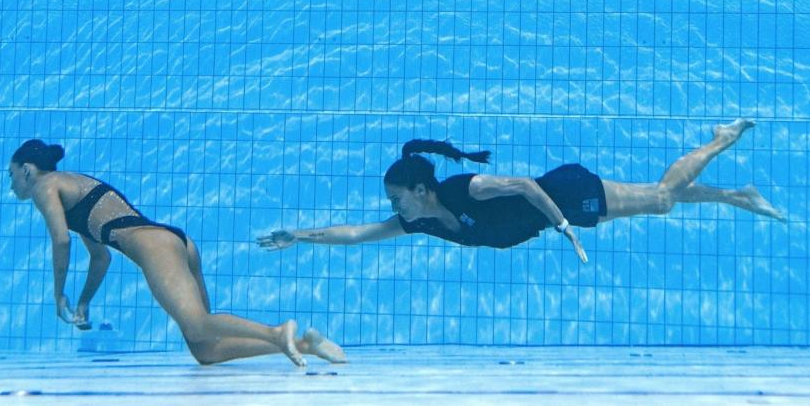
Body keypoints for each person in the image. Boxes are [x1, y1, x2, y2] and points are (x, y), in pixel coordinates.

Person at [9, 139, 346, 366]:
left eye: (12, 176)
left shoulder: (45, 185)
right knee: (206, 349)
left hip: (154, 245)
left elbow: (60, 241)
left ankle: (277, 331)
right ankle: (303, 344)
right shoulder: (73, 187)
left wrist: (58, 295)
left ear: (27, 170)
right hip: (176, 242)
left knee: (199, 324)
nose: (12, 186)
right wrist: (83, 303)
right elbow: (101, 257)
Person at [259, 119, 785, 262]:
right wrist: (300, 235)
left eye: (398, 198)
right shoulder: (418, 220)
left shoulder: (471, 188)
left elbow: (529, 186)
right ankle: (741, 195)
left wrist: (562, 227)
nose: (392, 209)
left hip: (566, 193)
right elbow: (353, 234)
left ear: (421, 188)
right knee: (658, 197)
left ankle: (721, 138)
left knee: (663, 198)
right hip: (564, 210)